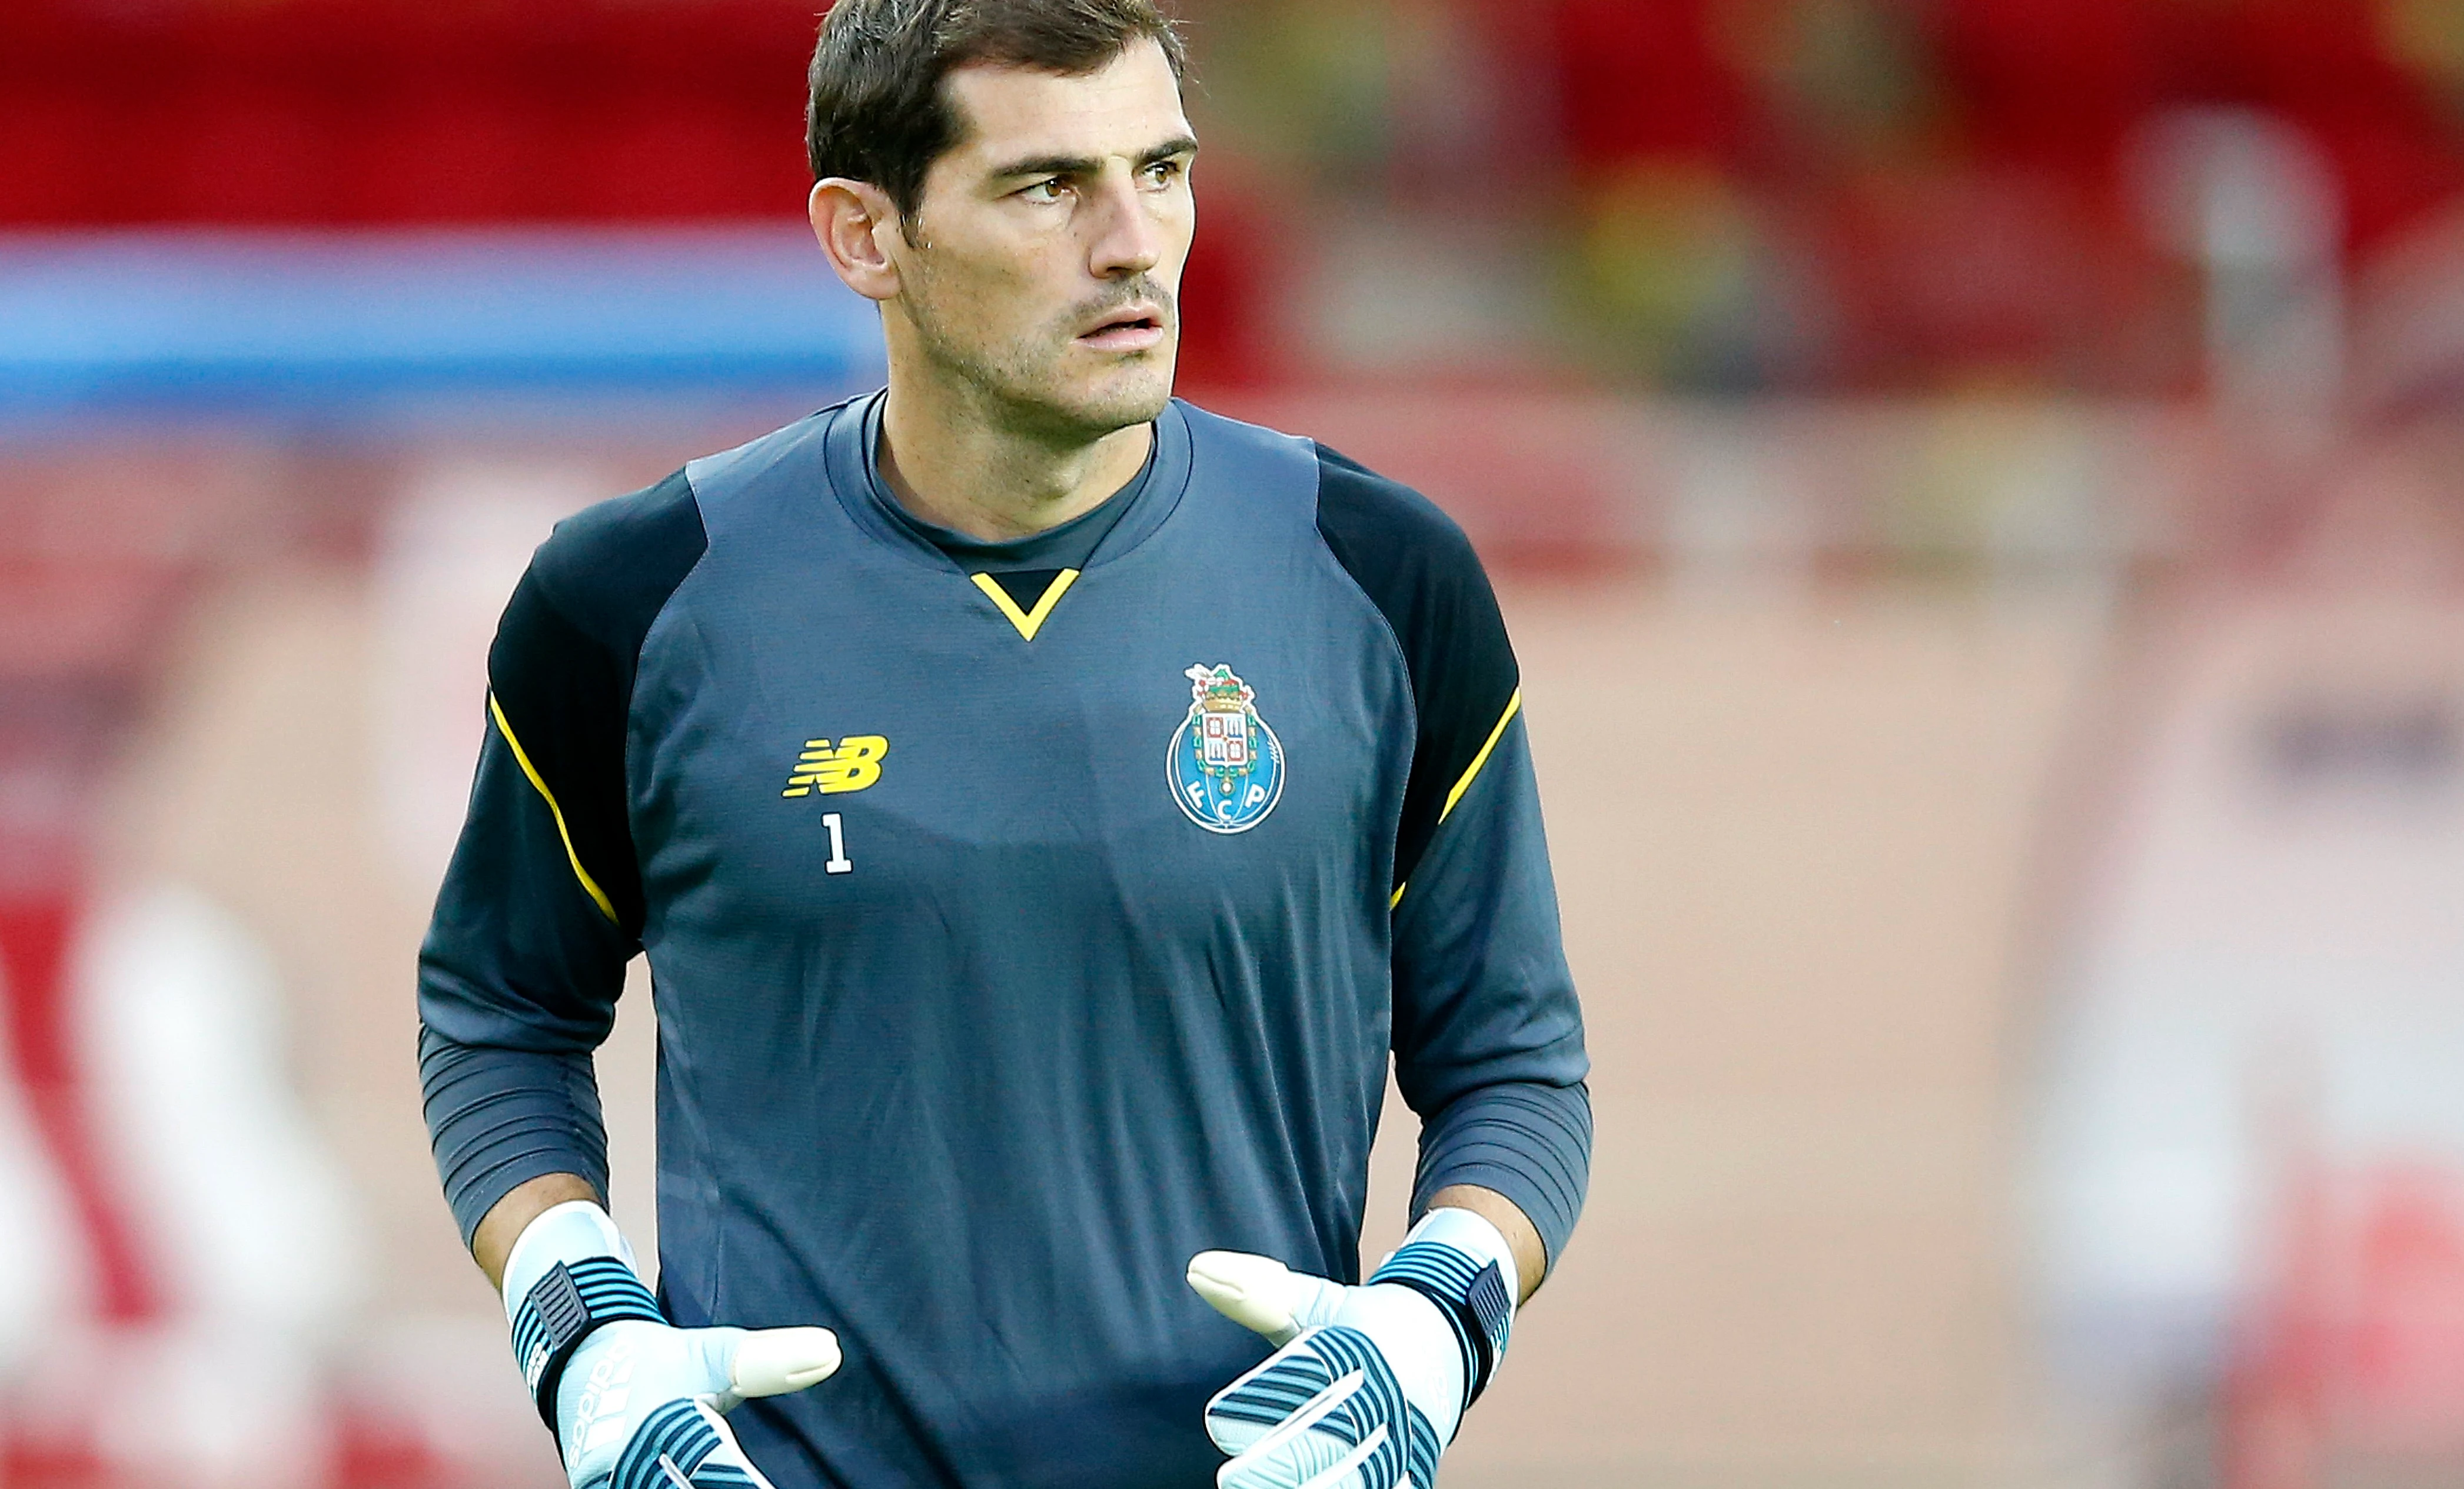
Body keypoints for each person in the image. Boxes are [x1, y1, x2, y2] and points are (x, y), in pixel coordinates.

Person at [415, 2, 1591, 1485]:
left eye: (1160, 170)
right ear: (865, 236)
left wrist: (1438, 1316)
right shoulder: (635, 602)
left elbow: (1515, 1062)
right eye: (1048, 187)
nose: (1133, 243)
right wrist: (577, 1325)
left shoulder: (1380, 575)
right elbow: (499, 1009)